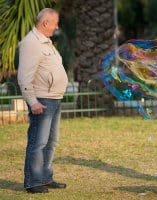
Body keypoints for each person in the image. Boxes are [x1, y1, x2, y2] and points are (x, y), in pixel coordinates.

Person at [17, 8, 68, 193]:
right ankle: (33, 181)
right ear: (45, 23)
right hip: (42, 100)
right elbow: (24, 76)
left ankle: (45, 177)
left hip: (55, 99)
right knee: (38, 142)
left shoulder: (46, 43)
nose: (57, 26)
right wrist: (33, 102)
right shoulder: (31, 43)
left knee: (51, 142)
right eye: (55, 23)